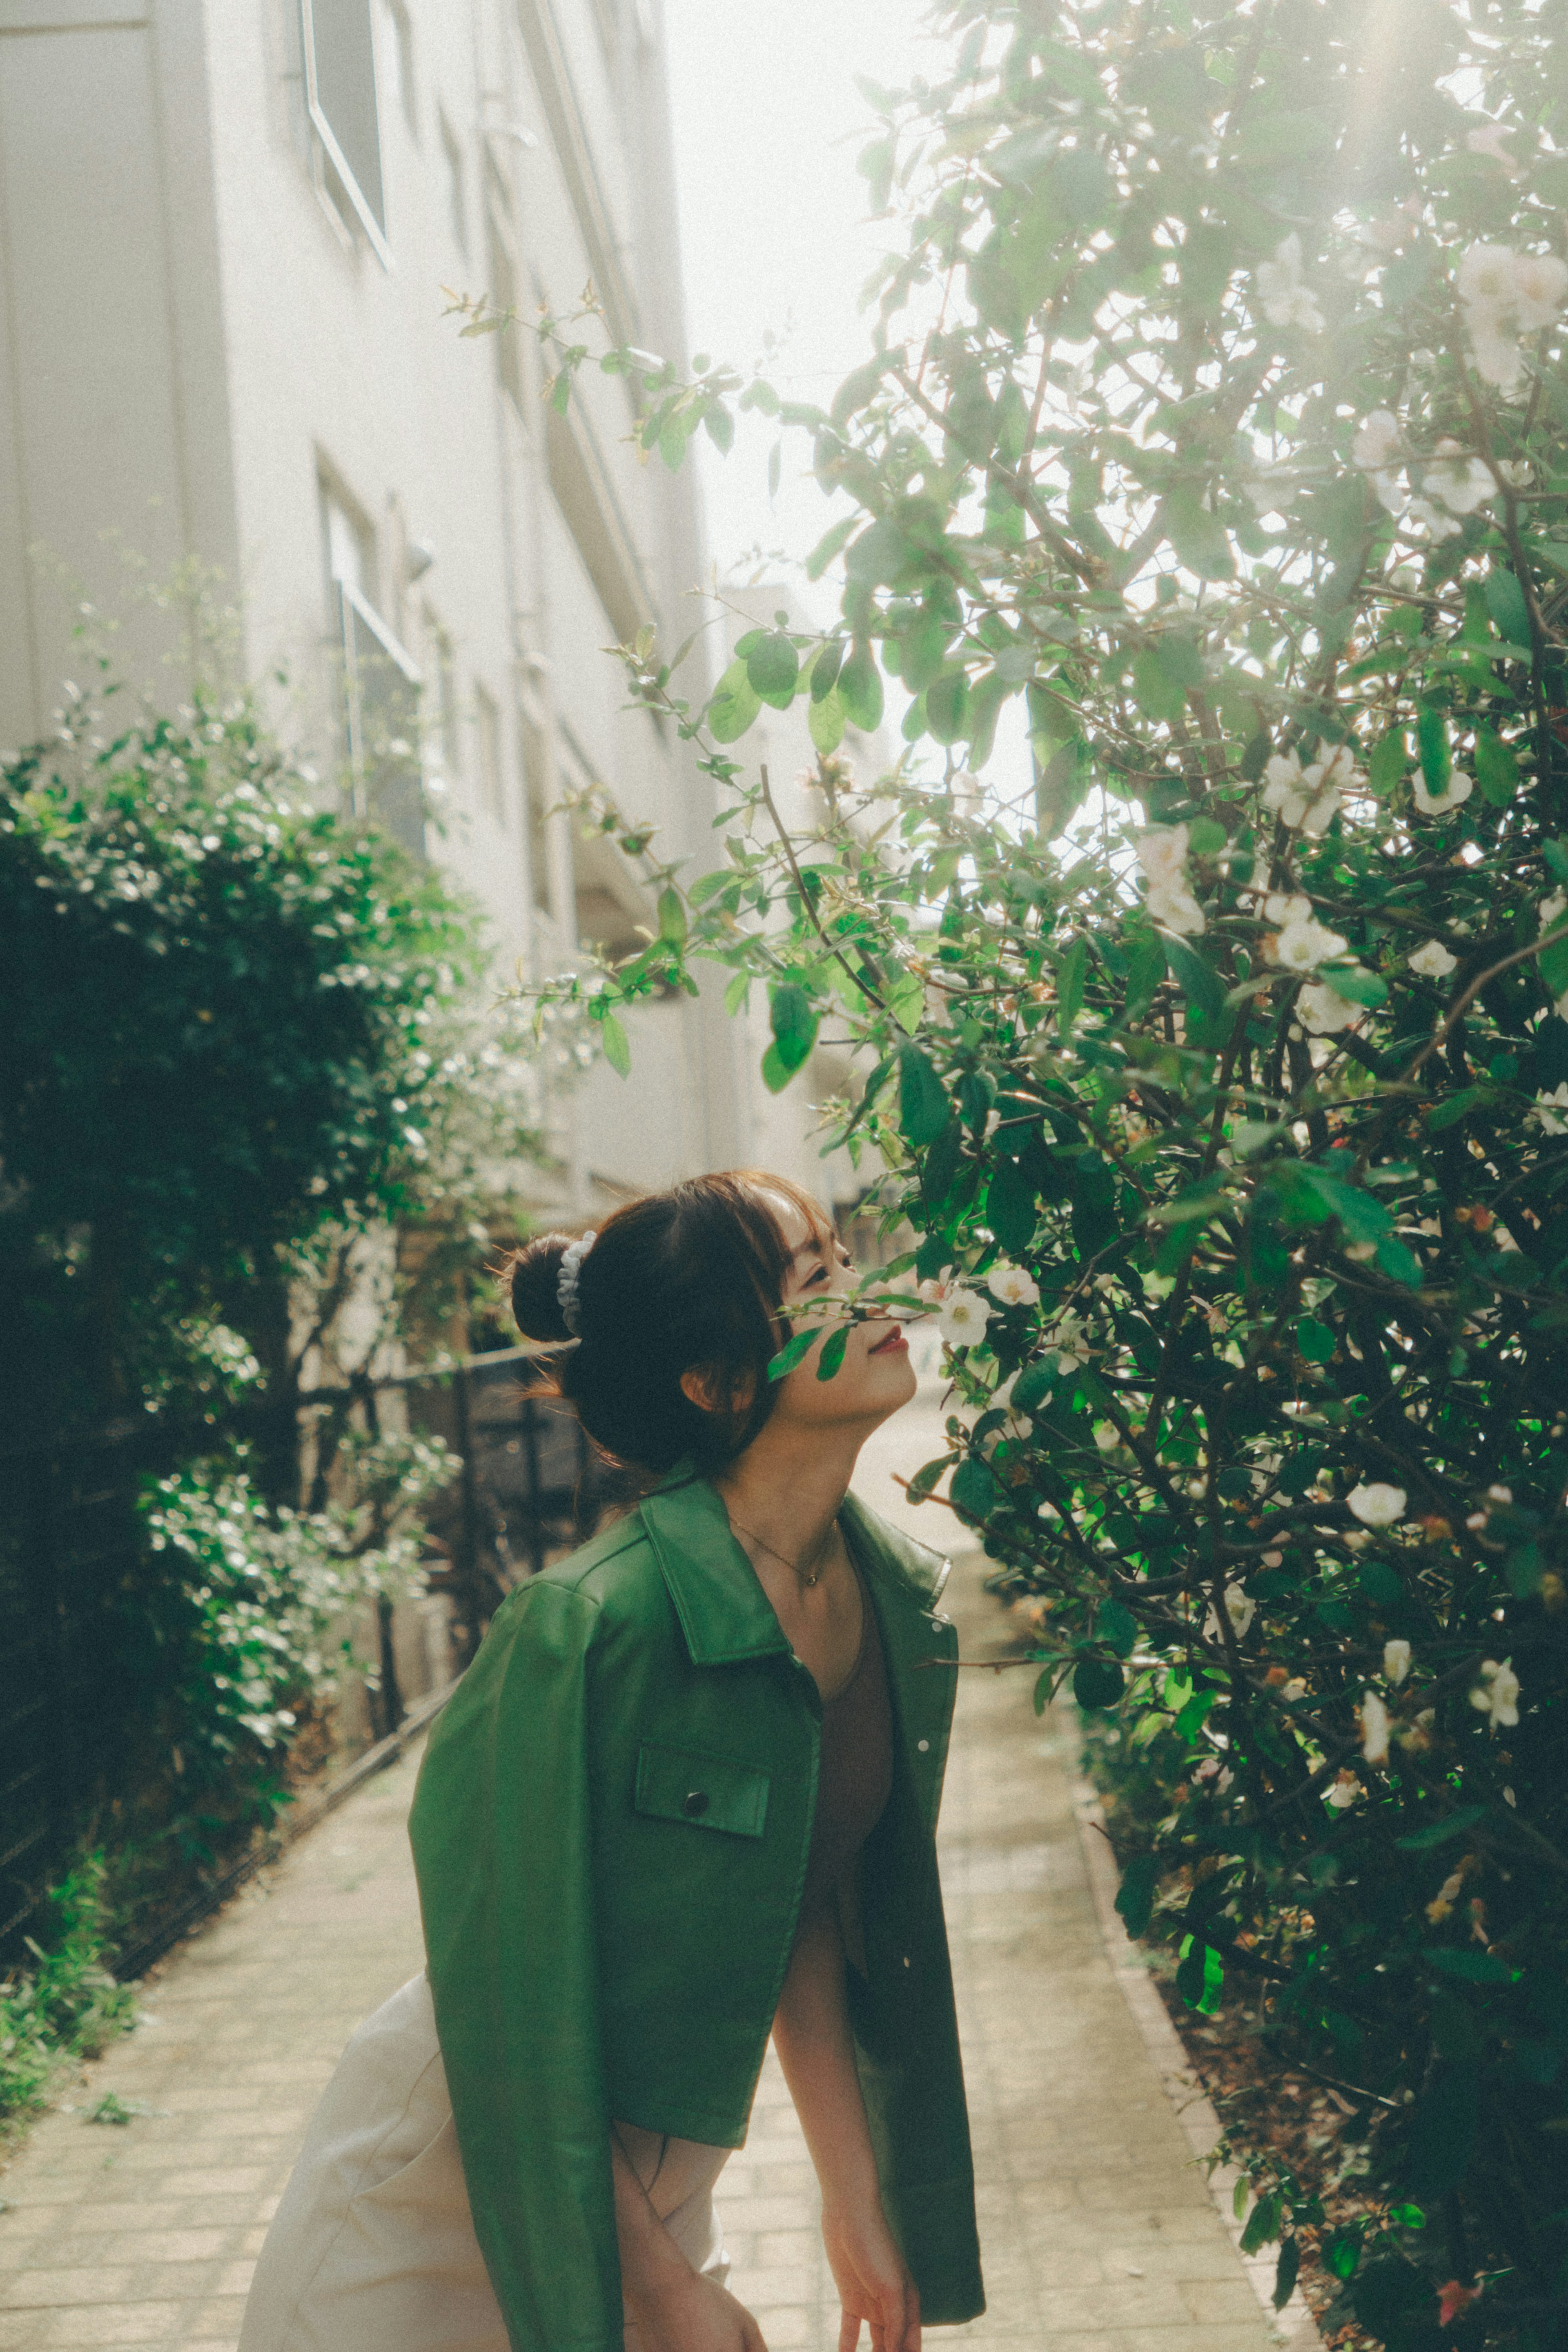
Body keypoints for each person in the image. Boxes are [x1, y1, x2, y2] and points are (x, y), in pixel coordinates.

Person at [238, 1171, 983, 2352]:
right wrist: (668, 2292)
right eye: (815, 1280)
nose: (866, 1293)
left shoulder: (876, 1596)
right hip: (447, 2184)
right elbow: (512, 2007)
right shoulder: (586, 1627)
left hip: (648, 2187)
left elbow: (793, 1908)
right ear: (721, 1382)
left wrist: (854, 2202)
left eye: (845, 1261)